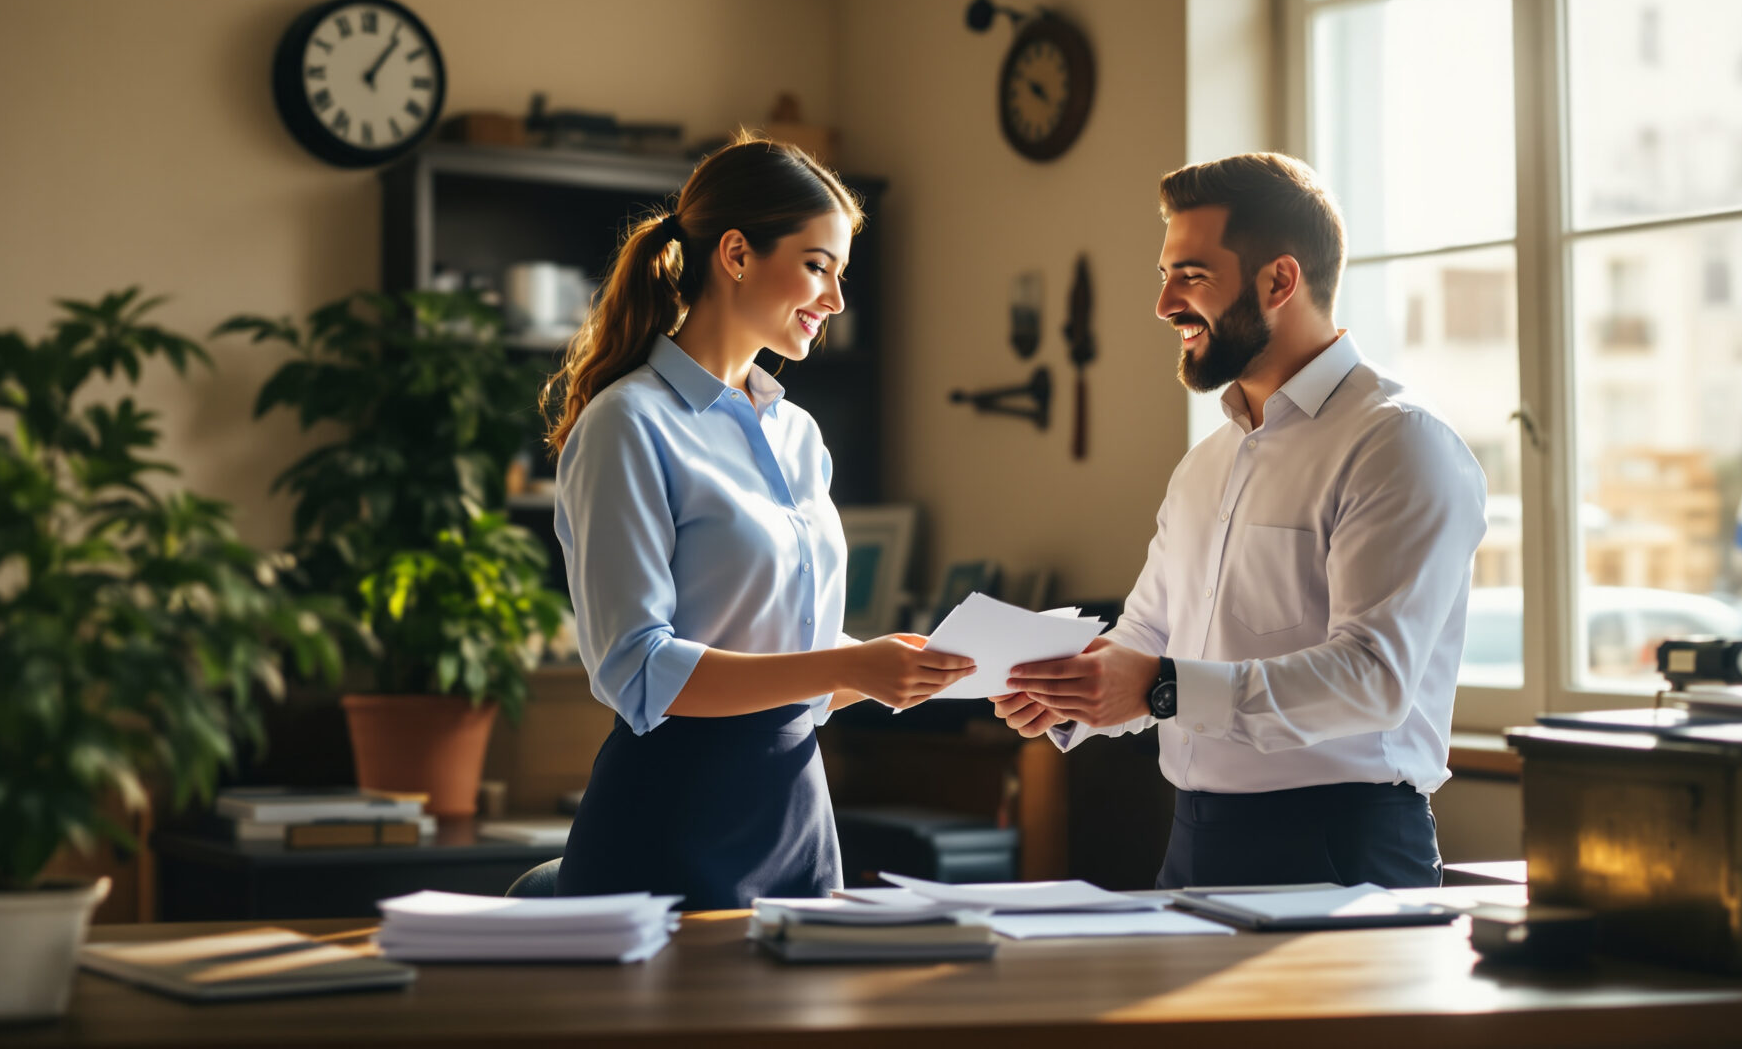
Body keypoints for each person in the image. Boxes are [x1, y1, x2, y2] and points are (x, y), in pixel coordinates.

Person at [990, 153, 1487, 889]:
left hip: (1341, 850)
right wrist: (1073, 690)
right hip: (1192, 841)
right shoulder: (1203, 466)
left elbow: (1374, 678)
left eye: (1189, 276)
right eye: (1164, 276)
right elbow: (1151, 639)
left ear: (1279, 281)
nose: (1163, 305)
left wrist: (1159, 688)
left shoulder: (1398, 443)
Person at [542, 136, 975, 909]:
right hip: (669, 815)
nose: (835, 301)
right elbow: (638, 670)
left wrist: (905, 669)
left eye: (842, 274)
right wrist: (845, 667)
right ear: (736, 254)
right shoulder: (627, 425)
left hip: (797, 813)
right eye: (818, 266)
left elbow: (791, 658)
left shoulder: (797, 434)